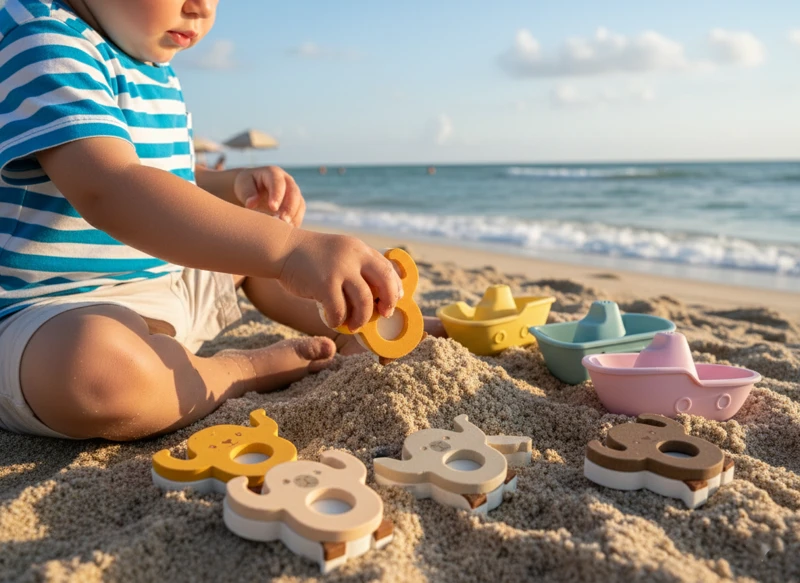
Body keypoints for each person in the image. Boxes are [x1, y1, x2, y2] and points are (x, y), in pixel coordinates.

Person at [0, 0, 441, 441]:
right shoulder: (43, 41)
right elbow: (110, 186)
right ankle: (239, 369)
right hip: (47, 310)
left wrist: (231, 184)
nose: (200, 8)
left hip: (166, 285)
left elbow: (168, 177)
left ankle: (362, 326)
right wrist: (289, 250)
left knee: (247, 246)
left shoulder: (153, 63)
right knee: (94, 374)